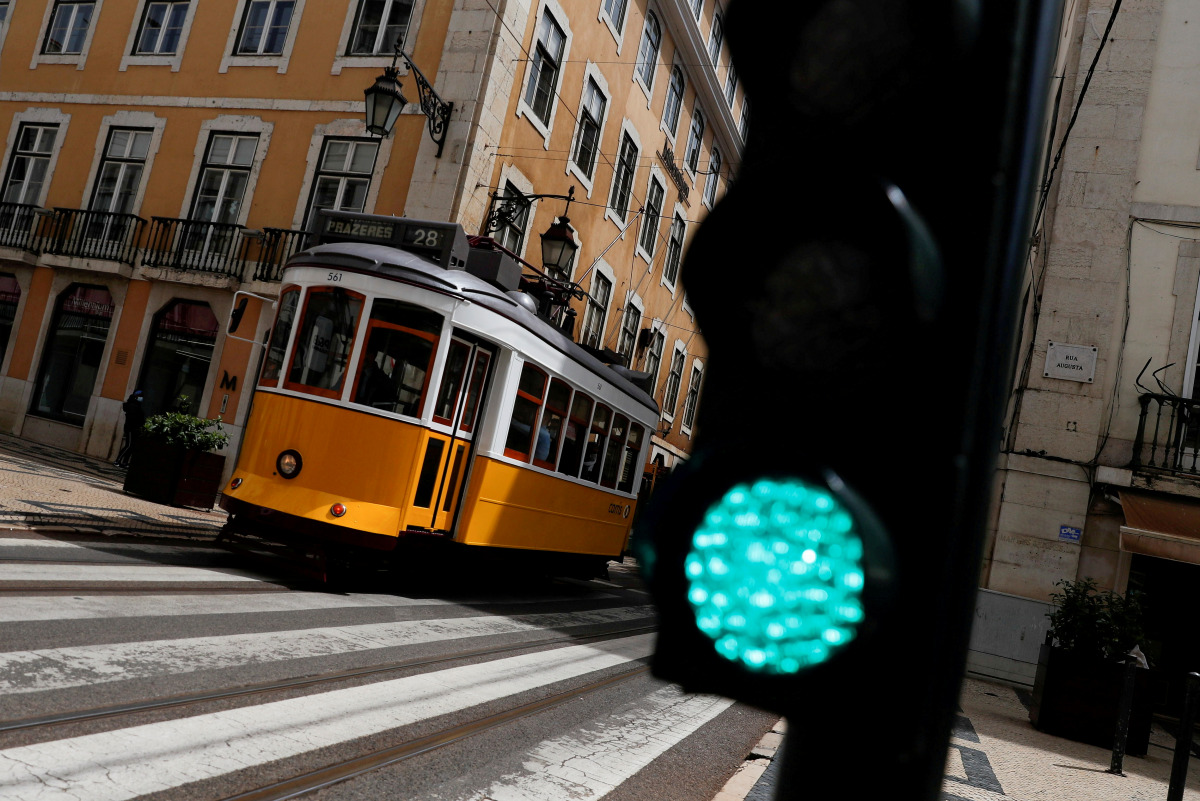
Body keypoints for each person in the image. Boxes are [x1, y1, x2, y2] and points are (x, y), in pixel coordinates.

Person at [115, 390, 145, 468]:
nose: (141, 398)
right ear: (136, 397)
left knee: (131, 446)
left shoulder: (137, 406)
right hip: (131, 429)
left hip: (134, 429)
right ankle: (117, 460)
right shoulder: (133, 406)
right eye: (140, 397)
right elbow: (133, 418)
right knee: (128, 445)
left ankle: (125, 462)